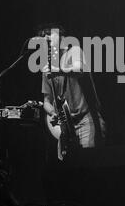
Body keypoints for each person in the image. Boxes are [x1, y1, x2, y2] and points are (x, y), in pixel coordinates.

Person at [39, 24, 106, 161]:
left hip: (87, 120)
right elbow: (47, 101)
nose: (45, 37)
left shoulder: (74, 51)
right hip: (66, 127)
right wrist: (53, 113)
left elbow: (79, 69)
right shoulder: (47, 66)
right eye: (42, 35)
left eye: (49, 33)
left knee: (88, 164)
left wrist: (57, 70)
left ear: (62, 36)